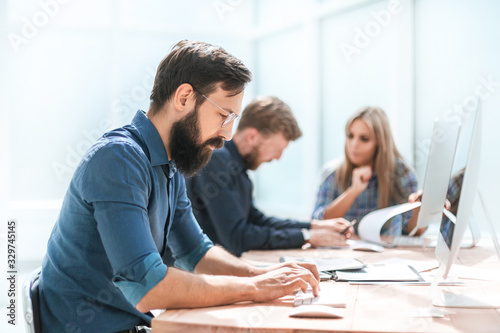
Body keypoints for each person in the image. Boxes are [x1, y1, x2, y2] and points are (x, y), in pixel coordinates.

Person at [39, 41, 322, 333]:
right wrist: (253, 287)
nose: (227, 134)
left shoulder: (169, 165)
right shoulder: (118, 159)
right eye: (224, 115)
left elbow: (196, 252)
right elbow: (149, 286)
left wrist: (264, 274)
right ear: (185, 98)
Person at [185, 96, 354, 257]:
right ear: (252, 137)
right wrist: (306, 236)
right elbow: (237, 237)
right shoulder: (217, 161)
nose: (277, 157)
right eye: (276, 150)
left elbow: (257, 220)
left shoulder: (237, 169)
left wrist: (314, 226)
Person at [312, 106, 418, 235]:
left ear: (380, 143)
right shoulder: (331, 173)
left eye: (364, 139)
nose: (354, 144)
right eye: (350, 136)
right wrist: (353, 191)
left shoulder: (401, 173)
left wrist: (421, 209)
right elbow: (316, 223)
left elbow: (412, 231)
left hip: (387, 251)